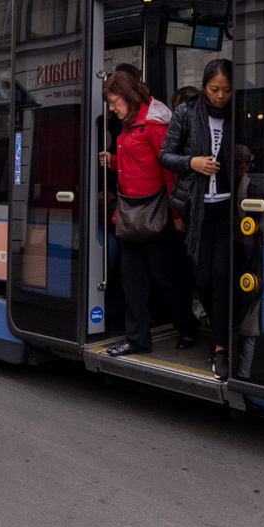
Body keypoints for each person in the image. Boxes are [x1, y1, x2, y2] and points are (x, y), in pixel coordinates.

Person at [98, 71, 195, 357]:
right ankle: (137, 340)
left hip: (154, 212)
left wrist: (176, 213)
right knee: (133, 282)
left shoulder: (153, 123)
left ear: (128, 96)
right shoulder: (131, 124)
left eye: (114, 101)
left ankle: (188, 328)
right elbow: (139, 164)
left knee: (165, 278)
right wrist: (114, 160)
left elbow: (168, 171)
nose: (111, 108)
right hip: (131, 212)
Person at [162, 59, 236, 379]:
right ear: (204, 87)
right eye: (214, 89)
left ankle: (221, 348)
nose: (221, 96)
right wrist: (192, 162)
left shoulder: (239, 113)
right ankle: (221, 327)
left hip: (229, 209)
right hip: (199, 210)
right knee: (203, 279)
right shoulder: (186, 113)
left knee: (221, 278)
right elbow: (165, 155)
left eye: (227, 90)